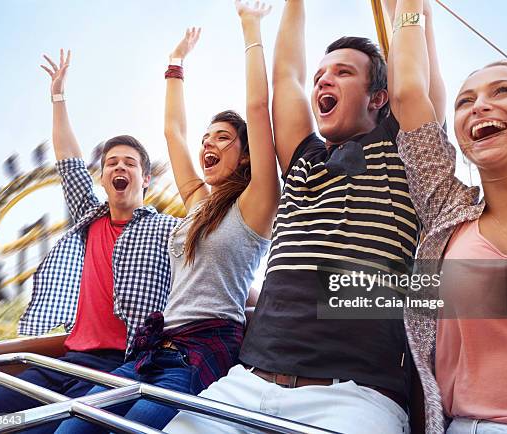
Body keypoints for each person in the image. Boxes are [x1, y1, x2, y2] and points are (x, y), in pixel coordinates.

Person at [165, 1, 443, 433]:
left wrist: (409, 9)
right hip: (246, 383)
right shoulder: (302, 160)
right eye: (320, 76)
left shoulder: (404, 150)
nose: (323, 80)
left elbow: (414, 76)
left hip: (354, 396)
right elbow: (286, 79)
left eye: (343, 72)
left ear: (379, 98)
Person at [54, 1, 279, 432]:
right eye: (207, 136)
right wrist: (175, 64)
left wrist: (251, 28)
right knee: (72, 426)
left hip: (201, 351)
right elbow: (173, 132)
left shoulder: (256, 203)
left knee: (131, 429)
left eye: (224, 138)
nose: (208, 143)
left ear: (247, 155)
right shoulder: (198, 203)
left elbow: (257, 108)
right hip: (156, 347)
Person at [0, 49, 178, 431]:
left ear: (146, 179)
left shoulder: (168, 229)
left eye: (130, 162)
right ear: (104, 176)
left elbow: (214, 266)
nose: (119, 167)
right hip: (66, 360)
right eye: (112, 162)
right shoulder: (90, 218)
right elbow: (68, 159)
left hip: (119, 366)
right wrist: (58, 97)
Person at [388, 0, 507, 432]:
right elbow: (409, 93)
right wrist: (412, 9)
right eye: (465, 101)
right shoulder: (448, 208)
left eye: (501, 91)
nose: (478, 106)